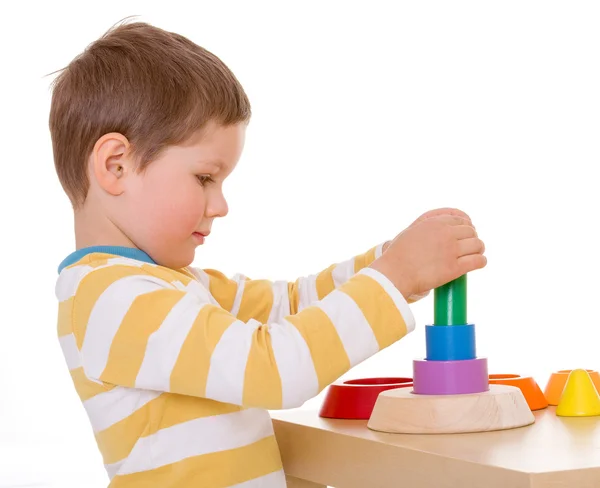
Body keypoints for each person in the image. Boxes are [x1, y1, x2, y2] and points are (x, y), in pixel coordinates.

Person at [50, 20, 486, 488]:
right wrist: (394, 277)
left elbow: (292, 304)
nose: (220, 205)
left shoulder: (175, 286)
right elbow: (270, 369)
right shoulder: (112, 301)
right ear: (117, 165)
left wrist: (394, 263)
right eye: (204, 178)